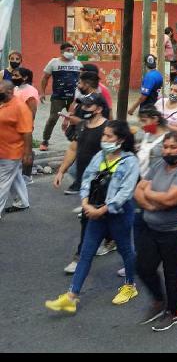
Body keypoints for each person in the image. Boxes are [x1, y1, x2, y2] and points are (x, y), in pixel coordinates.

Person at [44, 121, 140, 313]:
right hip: (95, 213)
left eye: (108, 136)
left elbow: (125, 192)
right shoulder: (100, 156)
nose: (103, 139)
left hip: (118, 215)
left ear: (120, 140)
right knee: (86, 253)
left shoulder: (130, 162)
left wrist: (102, 210)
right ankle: (72, 296)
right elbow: (87, 179)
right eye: (104, 135)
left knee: (125, 250)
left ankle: (130, 286)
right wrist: (86, 202)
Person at [133, 132, 177, 331]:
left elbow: (171, 199)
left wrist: (149, 194)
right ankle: (158, 300)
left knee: (173, 272)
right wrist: (152, 203)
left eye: (173, 147)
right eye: (166, 147)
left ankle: (173, 312)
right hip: (152, 225)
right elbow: (138, 189)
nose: (168, 151)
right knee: (143, 266)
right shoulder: (158, 166)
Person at [54, 93, 111, 272]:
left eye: (88, 106)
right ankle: (111, 239)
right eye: (83, 106)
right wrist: (61, 171)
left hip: (103, 184)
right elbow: (73, 148)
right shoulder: (82, 126)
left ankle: (80, 257)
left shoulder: (108, 129)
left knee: (89, 220)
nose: (84, 109)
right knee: (98, 218)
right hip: (87, 183)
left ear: (99, 109)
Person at [39, 42, 83, 151]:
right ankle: (45, 140)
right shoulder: (54, 62)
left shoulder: (78, 64)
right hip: (58, 97)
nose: (70, 52)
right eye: (68, 50)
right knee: (53, 118)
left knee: (77, 119)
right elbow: (45, 78)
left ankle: (79, 140)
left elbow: (83, 80)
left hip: (74, 98)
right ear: (62, 51)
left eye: (72, 50)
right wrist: (42, 92)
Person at [0, 81, 33, 217]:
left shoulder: (20, 107)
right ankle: (22, 202)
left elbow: (27, 132)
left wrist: (27, 153)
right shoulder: (3, 103)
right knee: (14, 177)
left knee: (2, 182)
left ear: (9, 91)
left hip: (11, 152)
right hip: (2, 149)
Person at [11, 67, 39, 187]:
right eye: (13, 75)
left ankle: (27, 176)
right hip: (13, 124)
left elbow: (32, 112)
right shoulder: (16, 88)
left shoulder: (30, 91)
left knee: (27, 150)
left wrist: (27, 126)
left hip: (24, 126)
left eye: (16, 76)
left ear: (25, 77)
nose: (13, 78)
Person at [136, 107, 169, 178]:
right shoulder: (144, 135)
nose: (142, 125)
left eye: (144, 121)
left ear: (155, 119)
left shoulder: (167, 139)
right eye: (140, 122)